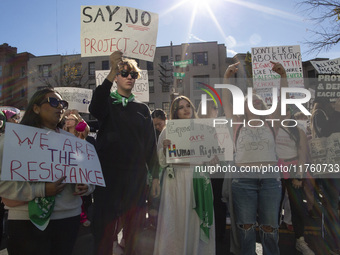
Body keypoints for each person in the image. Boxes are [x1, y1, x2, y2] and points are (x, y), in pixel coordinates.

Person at [0, 87, 95, 255]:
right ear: (35, 108)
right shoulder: (13, 140)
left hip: (68, 219)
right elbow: (4, 185)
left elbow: (90, 177)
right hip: (26, 222)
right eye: (53, 102)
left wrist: (86, 186)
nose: (60, 107)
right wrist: (42, 190)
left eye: (62, 103)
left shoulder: (73, 142)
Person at [89, 51, 160, 255]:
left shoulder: (142, 109)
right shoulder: (106, 103)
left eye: (134, 75)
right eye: (125, 73)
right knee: (104, 230)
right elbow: (95, 108)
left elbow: (150, 146)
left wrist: (154, 177)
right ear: (117, 77)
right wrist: (112, 70)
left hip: (135, 179)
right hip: (108, 177)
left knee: (135, 230)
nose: (130, 77)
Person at [221, 61, 286, 255]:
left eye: (259, 101)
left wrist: (283, 77)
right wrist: (226, 77)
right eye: (252, 101)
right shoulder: (238, 124)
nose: (256, 103)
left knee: (270, 228)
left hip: (269, 181)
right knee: (246, 227)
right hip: (243, 180)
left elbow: (282, 100)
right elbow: (226, 102)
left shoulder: (271, 123)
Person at [154, 95, 215, 255]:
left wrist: (214, 156)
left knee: (195, 221)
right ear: (175, 112)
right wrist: (165, 150)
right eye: (181, 107)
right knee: (176, 221)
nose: (186, 109)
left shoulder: (202, 130)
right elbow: (159, 161)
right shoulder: (168, 131)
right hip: (175, 182)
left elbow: (212, 159)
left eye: (188, 105)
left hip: (197, 180)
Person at [276, 107, 315, 255]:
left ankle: (300, 240)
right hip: (276, 170)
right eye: (281, 110)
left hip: (293, 170)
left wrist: (299, 176)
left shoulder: (298, 129)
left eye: (286, 110)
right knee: (274, 207)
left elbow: (302, 153)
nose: (283, 113)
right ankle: (272, 239)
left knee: (297, 207)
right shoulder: (272, 128)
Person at [310, 97, 340, 255]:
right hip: (330, 169)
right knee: (331, 206)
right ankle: (332, 244)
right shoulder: (319, 114)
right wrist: (336, 113)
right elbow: (325, 132)